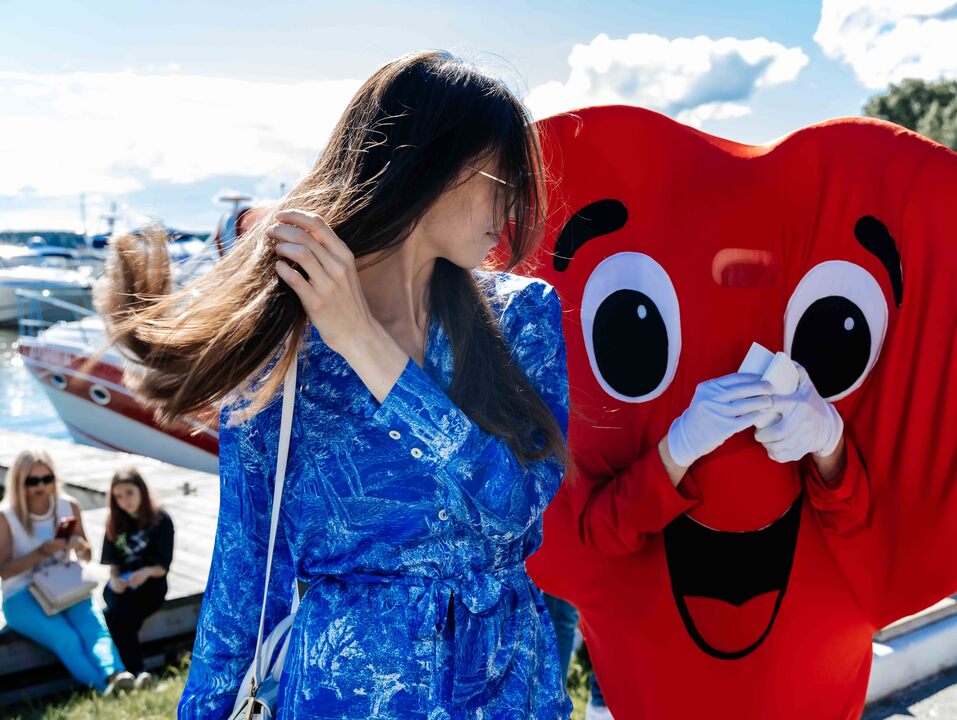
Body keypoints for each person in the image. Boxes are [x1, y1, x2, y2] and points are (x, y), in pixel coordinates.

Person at [94, 50, 572, 719]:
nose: (515, 204)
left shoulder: (522, 317)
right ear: (431, 164)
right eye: (503, 177)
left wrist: (367, 345)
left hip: (505, 689)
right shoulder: (285, 349)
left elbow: (517, 507)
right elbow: (246, 573)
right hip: (345, 698)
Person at [0, 448, 135, 694]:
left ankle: (116, 673)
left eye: (47, 478)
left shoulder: (68, 506)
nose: (41, 486)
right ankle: (105, 687)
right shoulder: (6, 516)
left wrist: (78, 546)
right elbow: (4, 571)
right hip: (20, 595)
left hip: (65, 586)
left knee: (94, 626)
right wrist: (41, 552)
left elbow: (87, 555)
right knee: (67, 638)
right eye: (33, 481)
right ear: (19, 482)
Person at [101, 465, 175, 690]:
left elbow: (163, 565)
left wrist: (145, 573)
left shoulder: (161, 520)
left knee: (116, 617)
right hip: (123, 584)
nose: (125, 500)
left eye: (129, 493)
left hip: (151, 584)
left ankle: (130, 671)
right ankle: (137, 673)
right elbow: (113, 564)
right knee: (116, 610)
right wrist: (115, 579)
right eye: (119, 496)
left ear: (141, 490)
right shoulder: (115, 521)